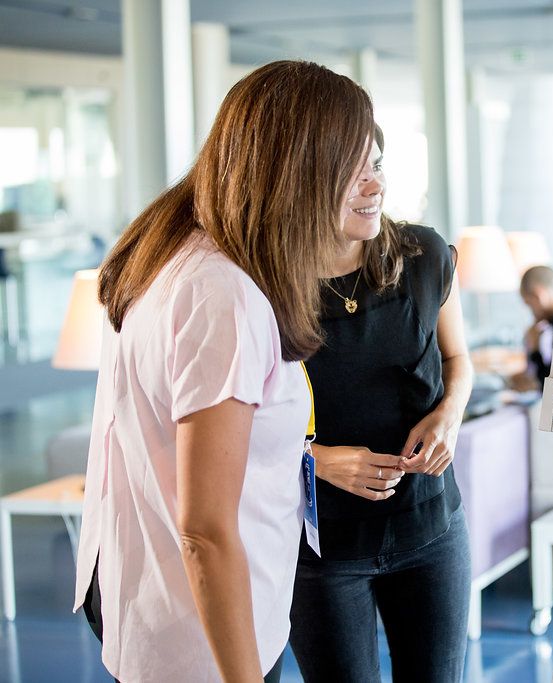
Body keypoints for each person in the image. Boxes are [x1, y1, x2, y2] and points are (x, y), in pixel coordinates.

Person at [73, 61, 373, 682]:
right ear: (303, 171)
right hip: (204, 646)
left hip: (161, 612)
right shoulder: (224, 297)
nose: (375, 181)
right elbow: (205, 531)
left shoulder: (172, 249)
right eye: (358, 163)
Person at [287, 124, 474, 683]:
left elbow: (458, 360)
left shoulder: (425, 254)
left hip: (432, 528)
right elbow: (238, 427)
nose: (375, 185)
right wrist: (314, 460)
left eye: (378, 164)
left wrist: (448, 417)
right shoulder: (263, 284)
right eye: (353, 172)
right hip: (321, 550)